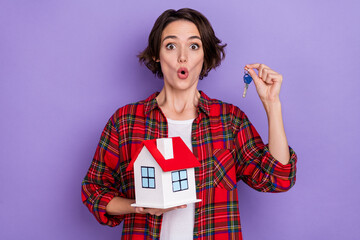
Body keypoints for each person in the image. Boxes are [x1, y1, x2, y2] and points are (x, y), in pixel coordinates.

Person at [81, 8, 297, 240]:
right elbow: (94, 190)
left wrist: (272, 104)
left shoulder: (229, 120)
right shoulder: (126, 121)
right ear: (156, 54)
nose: (182, 56)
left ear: (205, 56)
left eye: (194, 46)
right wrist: (138, 206)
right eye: (171, 46)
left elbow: (279, 178)